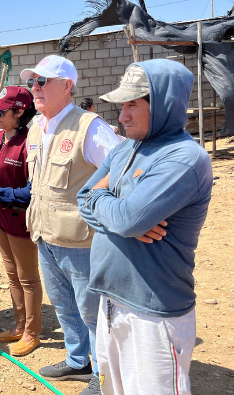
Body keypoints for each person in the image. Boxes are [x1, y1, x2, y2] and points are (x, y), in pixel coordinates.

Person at [78, 60, 211, 395]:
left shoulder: (183, 159)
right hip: (111, 300)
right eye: (122, 105)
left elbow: (128, 219)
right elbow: (84, 198)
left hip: (153, 313)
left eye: (132, 104)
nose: (121, 116)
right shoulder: (124, 149)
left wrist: (119, 214)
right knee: (113, 388)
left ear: (165, 104)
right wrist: (120, 217)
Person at [20, 55, 121, 395]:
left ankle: (103, 375)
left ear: (67, 86)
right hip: (45, 233)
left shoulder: (89, 126)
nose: (35, 88)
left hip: (81, 239)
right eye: (33, 82)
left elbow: (120, 170)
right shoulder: (37, 126)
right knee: (63, 304)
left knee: (92, 311)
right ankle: (78, 360)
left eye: (42, 82)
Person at [0, 86, 43, 357]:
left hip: (20, 219)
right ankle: (19, 324)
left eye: (2, 111)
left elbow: (33, 190)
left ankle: (32, 332)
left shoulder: (30, 143)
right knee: (12, 274)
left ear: (20, 112)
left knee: (27, 278)